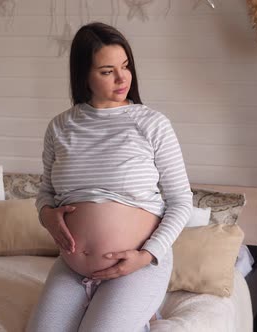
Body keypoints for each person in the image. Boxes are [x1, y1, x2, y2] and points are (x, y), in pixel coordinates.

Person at [26, 22, 193, 332]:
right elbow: (45, 193)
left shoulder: (151, 124)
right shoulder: (60, 127)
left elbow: (181, 201)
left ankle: (138, 312)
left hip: (136, 266)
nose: (122, 78)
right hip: (73, 267)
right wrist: (47, 215)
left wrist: (147, 255)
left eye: (125, 66)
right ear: (84, 75)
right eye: (107, 71)